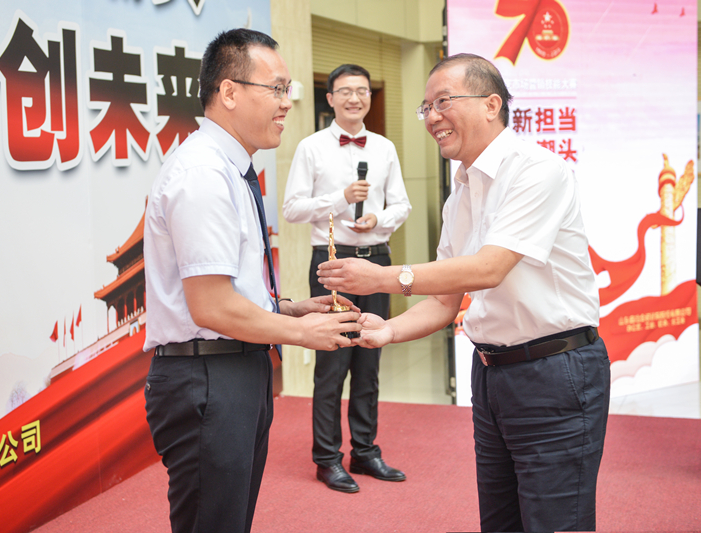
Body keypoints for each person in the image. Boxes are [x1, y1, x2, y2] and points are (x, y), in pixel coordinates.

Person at [317, 53, 610, 532]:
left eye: (443, 102)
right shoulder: (460, 194)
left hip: (555, 372)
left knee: (556, 521)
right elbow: (444, 300)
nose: (432, 117)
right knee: (500, 521)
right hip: (492, 373)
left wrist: (382, 278)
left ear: (492, 104)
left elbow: (489, 268)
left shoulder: (537, 169)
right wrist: (386, 330)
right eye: (426, 107)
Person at [142, 29, 360, 533]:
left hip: (233, 369)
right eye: (277, 89)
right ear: (229, 92)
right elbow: (212, 307)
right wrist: (303, 333)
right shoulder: (203, 174)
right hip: (208, 377)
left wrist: (287, 309)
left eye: (288, 90)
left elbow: (228, 289)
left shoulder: (231, 168)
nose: (286, 104)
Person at [283, 64, 411, 493]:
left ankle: (365, 451)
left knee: (369, 360)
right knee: (332, 362)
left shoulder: (385, 148)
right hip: (333, 262)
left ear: (369, 97)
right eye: (345, 91)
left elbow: (402, 205)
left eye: (362, 91)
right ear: (330, 98)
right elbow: (292, 209)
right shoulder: (311, 147)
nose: (354, 98)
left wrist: (379, 218)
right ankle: (327, 458)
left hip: (377, 261)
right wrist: (340, 199)